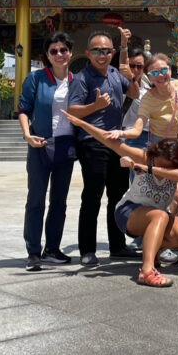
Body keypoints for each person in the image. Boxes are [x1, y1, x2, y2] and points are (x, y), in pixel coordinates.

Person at [60, 112, 178, 287]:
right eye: (158, 162)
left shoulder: (176, 168)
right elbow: (111, 142)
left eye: (166, 165)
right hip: (129, 212)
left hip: (155, 216)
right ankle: (147, 271)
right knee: (160, 215)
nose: (160, 166)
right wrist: (82, 123)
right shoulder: (144, 157)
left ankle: (153, 253)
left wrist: (146, 168)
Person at [67, 30, 140, 265]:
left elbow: (134, 92)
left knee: (118, 197)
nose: (102, 54)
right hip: (92, 143)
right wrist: (95, 105)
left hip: (116, 142)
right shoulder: (82, 77)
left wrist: (133, 74)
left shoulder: (115, 74)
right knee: (93, 196)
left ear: (113, 53)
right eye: (97, 50)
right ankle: (87, 250)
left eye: (107, 50)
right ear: (88, 53)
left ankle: (117, 246)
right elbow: (72, 111)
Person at [17, 31, 77, 271]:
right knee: (36, 199)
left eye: (63, 50)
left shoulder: (77, 80)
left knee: (59, 201)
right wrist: (26, 134)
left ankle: (52, 248)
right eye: (54, 51)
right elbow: (23, 108)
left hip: (65, 146)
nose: (59, 54)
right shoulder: (36, 78)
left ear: (71, 52)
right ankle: (33, 250)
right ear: (47, 56)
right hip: (40, 144)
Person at [115, 53, 178, 154]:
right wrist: (120, 133)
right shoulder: (148, 100)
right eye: (154, 73)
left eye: (164, 70)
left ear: (170, 70)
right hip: (162, 146)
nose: (160, 75)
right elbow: (137, 128)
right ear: (149, 77)